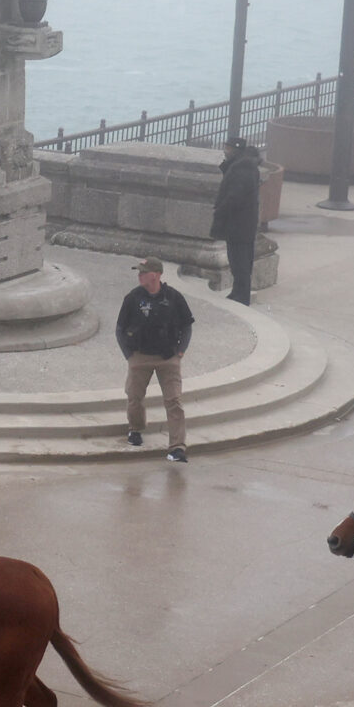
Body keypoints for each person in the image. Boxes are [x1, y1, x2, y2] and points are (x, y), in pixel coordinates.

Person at [116, 257, 194, 463]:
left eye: (144, 272)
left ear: (156, 275)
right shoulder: (132, 298)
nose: (139, 275)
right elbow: (120, 329)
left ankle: (177, 446)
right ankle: (135, 429)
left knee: (174, 400)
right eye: (139, 272)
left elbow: (187, 325)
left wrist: (181, 352)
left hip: (168, 358)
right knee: (134, 396)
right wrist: (128, 355)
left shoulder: (174, 298)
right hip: (139, 356)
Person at [211, 137, 263, 305]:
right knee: (240, 262)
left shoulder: (242, 169)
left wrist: (220, 211)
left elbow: (235, 197)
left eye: (228, 148)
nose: (225, 151)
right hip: (244, 224)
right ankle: (238, 293)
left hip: (238, 224)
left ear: (235, 150)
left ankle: (241, 296)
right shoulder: (245, 167)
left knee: (239, 262)